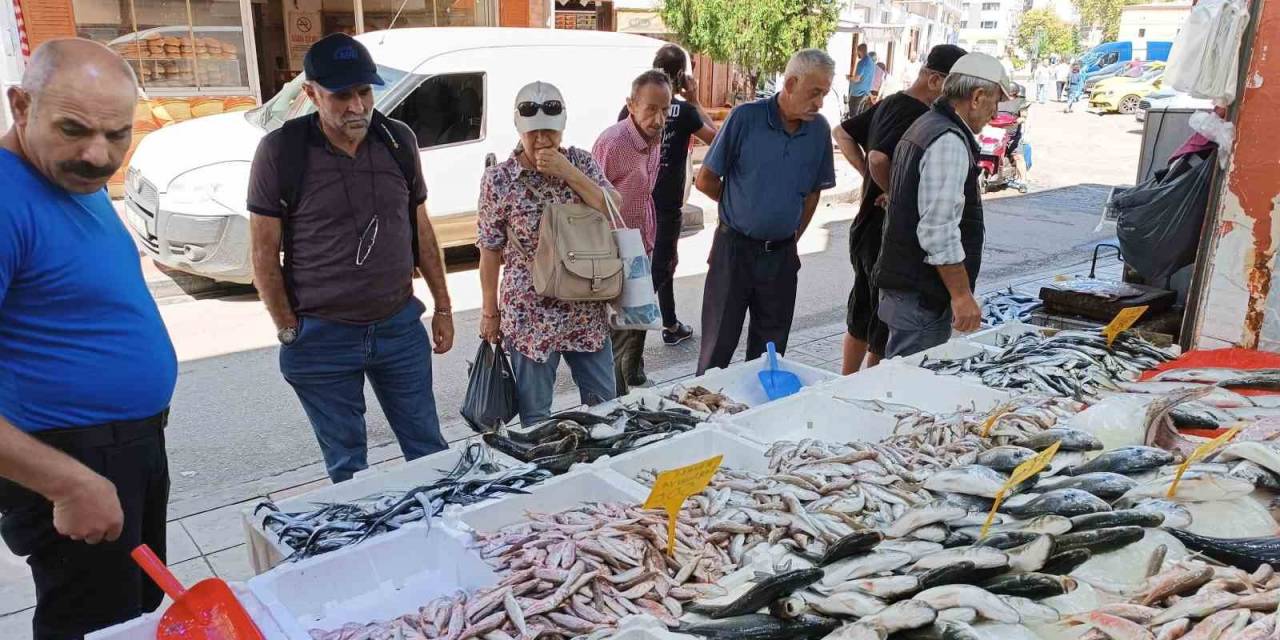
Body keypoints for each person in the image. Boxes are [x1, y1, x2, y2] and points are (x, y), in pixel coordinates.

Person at [0, 39, 178, 638]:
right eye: (73, 129)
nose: (97, 155)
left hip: (124, 449)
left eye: (116, 134)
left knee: (134, 609)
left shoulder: (71, 178)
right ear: (20, 105)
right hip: (72, 458)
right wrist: (69, 483)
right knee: (92, 621)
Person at [248, 33, 454, 483]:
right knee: (349, 470)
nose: (358, 106)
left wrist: (443, 306)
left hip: (398, 326)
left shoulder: (397, 140)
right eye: (341, 96)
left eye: (364, 92)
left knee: (430, 452)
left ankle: (443, 540)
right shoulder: (281, 151)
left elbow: (420, 229)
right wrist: (288, 328)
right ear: (310, 93)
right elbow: (263, 254)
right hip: (322, 335)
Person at [477, 81, 621, 426]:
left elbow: (614, 209)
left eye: (550, 133)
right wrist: (489, 313)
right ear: (519, 129)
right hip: (530, 313)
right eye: (533, 134)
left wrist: (567, 173)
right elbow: (489, 248)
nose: (542, 140)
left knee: (606, 406)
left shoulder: (580, 163)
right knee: (536, 417)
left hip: (585, 302)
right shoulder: (499, 180)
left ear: (563, 127)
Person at [694, 49, 837, 374]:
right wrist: (743, 208)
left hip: (781, 257)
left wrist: (789, 238)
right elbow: (705, 180)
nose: (820, 103)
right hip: (734, 251)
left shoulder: (818, 131)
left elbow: (813, 193)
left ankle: (756, 418)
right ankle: (701, 419)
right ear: (790, 83)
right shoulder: (746, 118)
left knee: (770, 354)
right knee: (717, 348)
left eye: (824, 94)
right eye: (815, 93)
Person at [834, 44, 967, 375]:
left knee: (863, 313)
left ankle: (845, 385)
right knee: (879, 322)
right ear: (936, 80)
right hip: (882, 232)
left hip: (870, 229)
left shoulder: (891, 102)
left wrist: (870, 178)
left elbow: (843, 133)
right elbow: (877, 157)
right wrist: (894, 193)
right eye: (955, 86)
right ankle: (863, 388)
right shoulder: (912, 110)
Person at [873, 52, 1011, 358]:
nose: (995, 113)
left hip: (907, 289)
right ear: (976, 97)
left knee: (898, 377)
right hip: (920, 295)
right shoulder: (947, 140)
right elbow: (938, 230)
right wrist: (961, 296)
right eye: (995, 102)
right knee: (910, 387)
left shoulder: (928, 123)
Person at [616, 45, 717, 349]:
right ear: (682, 76)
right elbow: (718, 139)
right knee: (659, 268)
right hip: (666, 206)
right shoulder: (685, 112)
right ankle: (630, 346)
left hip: (635, 203)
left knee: (654, 266)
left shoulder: (632, 108)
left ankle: (670, 323)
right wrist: (696, 99)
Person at [594, 70, 672, 394]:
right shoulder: (612, 143)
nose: (659, 118)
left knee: (638, 320)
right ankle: (612, 399)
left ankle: (632, 378)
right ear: (631, 105)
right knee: (618, 330)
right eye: (651, 108)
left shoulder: (655, 140)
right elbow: (590, 200)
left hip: (644, 244)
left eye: (665, 109)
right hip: (616, 251)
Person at [998, 83, 1030, 190]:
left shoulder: (1021, 102)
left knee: (1018, 156)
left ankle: (1023, 182)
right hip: (996, 133)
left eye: (1011, 94)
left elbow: (1024, 117)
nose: (1009, 96)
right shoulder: (998, 100)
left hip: (1013, 135)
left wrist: (1015, 121)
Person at [848, 44, 875, 116]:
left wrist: (849, 78)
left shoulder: (862, 63)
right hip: (865, 94)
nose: (857, 54)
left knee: (853, 117)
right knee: (858, 117)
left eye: (857, 52)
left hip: (857, 94)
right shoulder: (871, 63)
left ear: (860, 51)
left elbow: (857, 79)